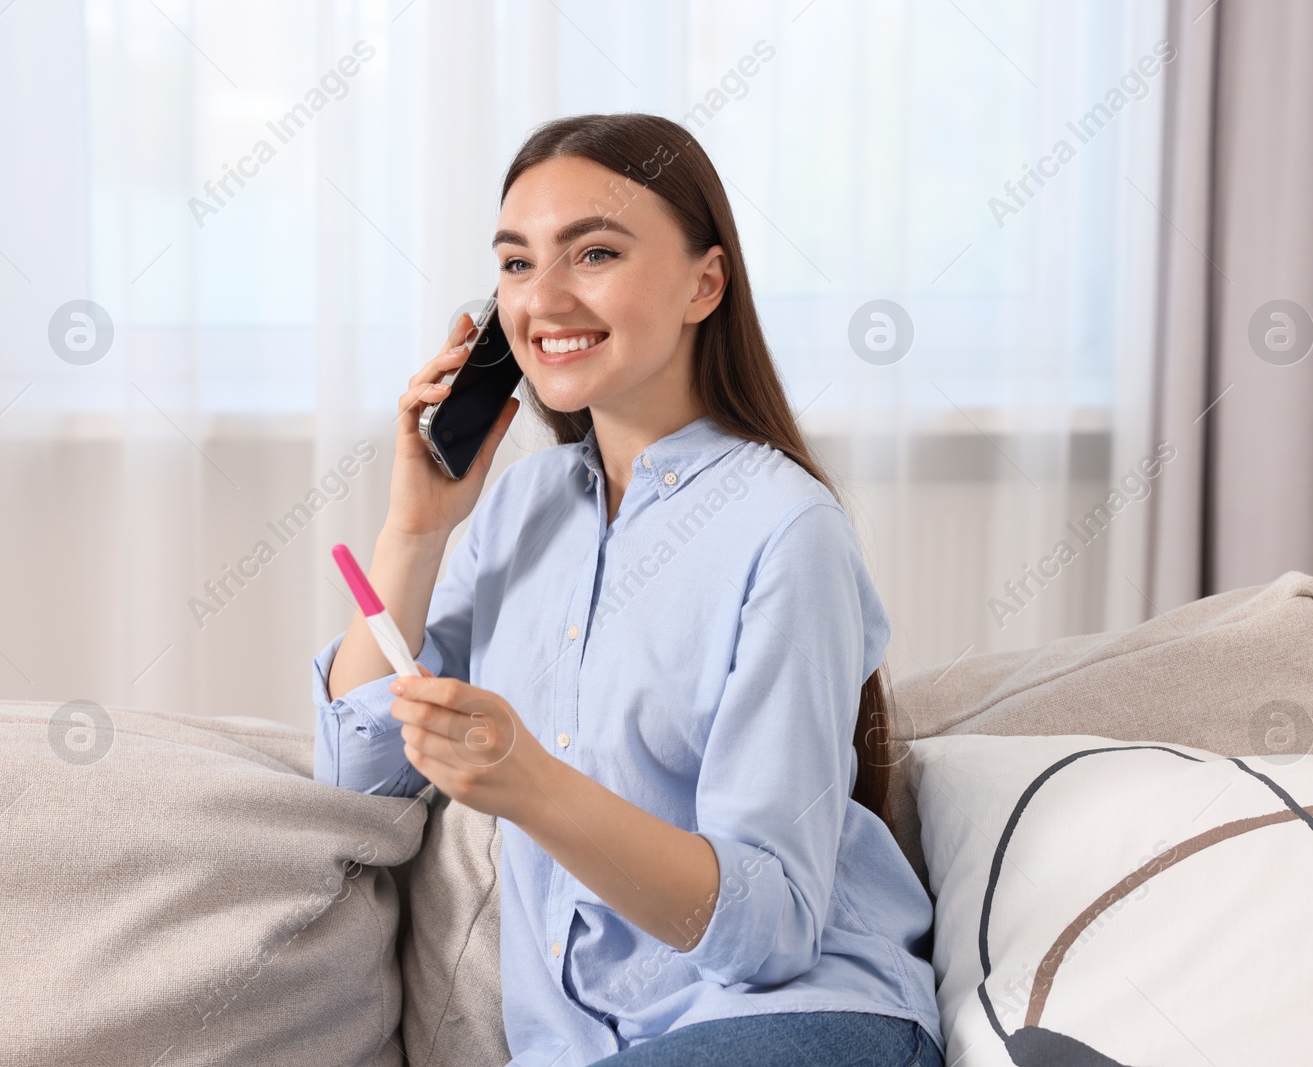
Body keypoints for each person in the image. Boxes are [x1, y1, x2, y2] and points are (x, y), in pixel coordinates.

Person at [313, 112, 944, 1067]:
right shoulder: (521, 507)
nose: (544, 299)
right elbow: (361, 780)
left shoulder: (785, 529)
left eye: (594, 252)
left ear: (705, 282)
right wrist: (416, 530)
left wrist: (532, 784)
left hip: (790, 1023)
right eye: (516, 265)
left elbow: (771, 929)